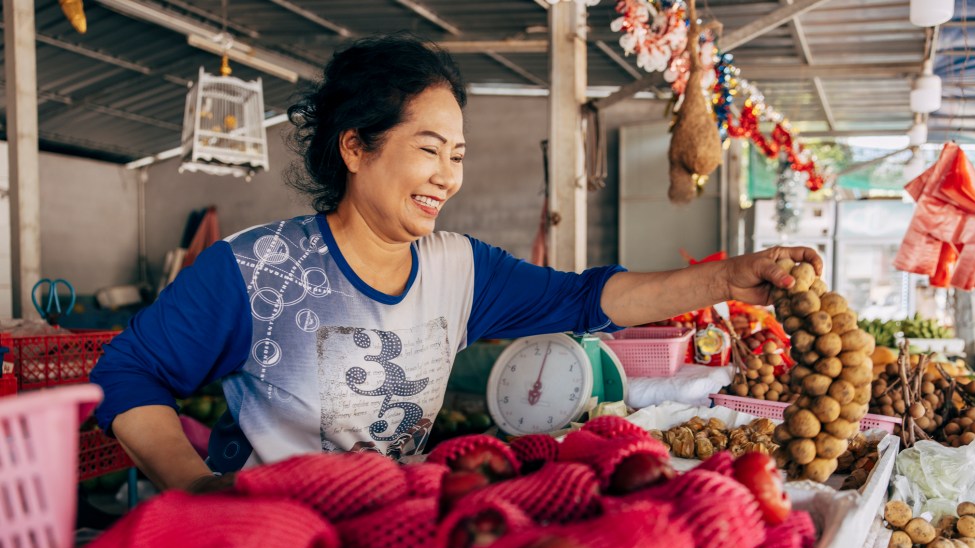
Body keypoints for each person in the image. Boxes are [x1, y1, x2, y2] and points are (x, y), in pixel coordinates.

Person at [90, 34, 821, 494]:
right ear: (355, 147)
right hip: (265, 540)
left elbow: (588, 298)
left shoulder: (459, 270)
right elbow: (127, 372)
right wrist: (196, 490)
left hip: (387, 537)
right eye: (429, 150)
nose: (448, 176)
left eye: (459, 156)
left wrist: (727, 279)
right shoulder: (258, 269)